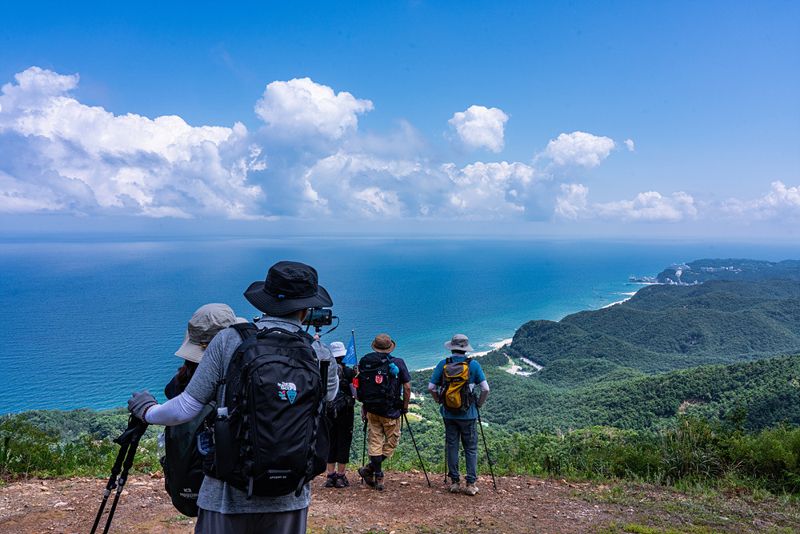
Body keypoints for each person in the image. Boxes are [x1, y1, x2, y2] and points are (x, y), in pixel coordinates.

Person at [128, 261, 338, 534]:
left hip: (227, 496)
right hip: (291, 496)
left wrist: (147, 411)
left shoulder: (229, 340)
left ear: (266, 301)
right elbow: (328, 398)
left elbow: (186, 408)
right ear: (306, 309)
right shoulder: (318, 352)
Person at [161, 303, 246, 517]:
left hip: (198, 477)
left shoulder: (179, 382)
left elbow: (173, 396)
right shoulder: (239, 377)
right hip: (236, 479)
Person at [428, 334, 490, 496]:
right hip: (468, 414)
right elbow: (485, 389)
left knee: (452, 446)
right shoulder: (473, 365)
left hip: (448, 413)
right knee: (470, 448)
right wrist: (478, 405)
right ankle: (470, 484)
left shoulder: (443, 364)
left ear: (452, 347)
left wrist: (439, 402)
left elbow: (431, 387)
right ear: (465, 349)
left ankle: (454, 482)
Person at [356, 333, 411, 491]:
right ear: (389, 347)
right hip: (390, 411)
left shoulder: (366, 362)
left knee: (375, 442)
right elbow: (407, 387)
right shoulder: (398, 362)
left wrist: (364, 405)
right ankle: (372, 471)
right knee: (392, 442)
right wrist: (405, 407)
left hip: (371, 409)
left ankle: (375, 473)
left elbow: (360, 384)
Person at [323, 341, 357, 489]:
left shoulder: (325, 371)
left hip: (328, 411)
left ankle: (330, 476)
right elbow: (355, 394)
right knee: (344, 440)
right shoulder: (349, 372)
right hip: (345, 412)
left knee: (330, 440)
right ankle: (341, 476)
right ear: (343, 355)